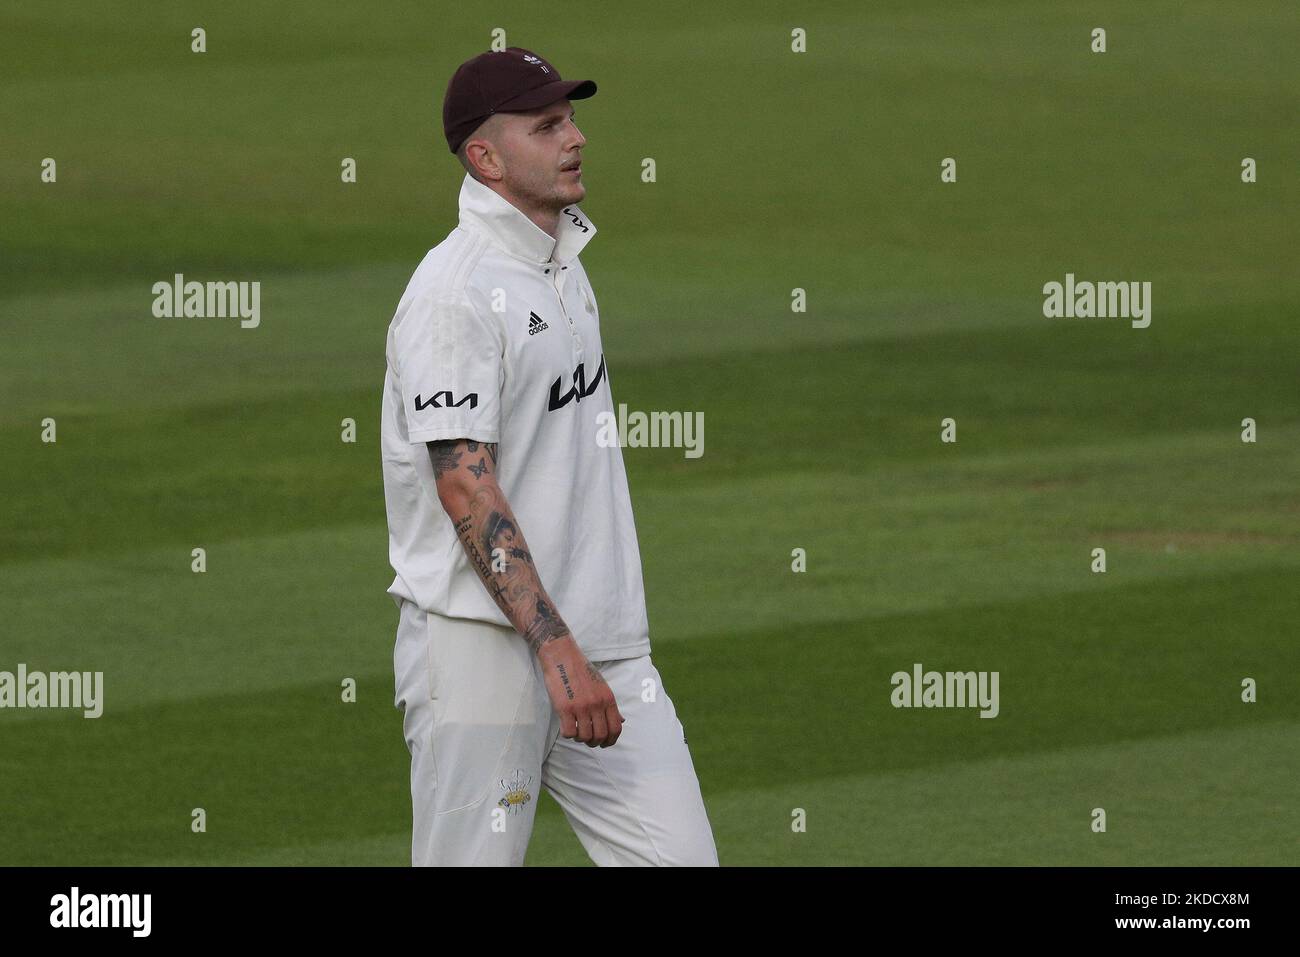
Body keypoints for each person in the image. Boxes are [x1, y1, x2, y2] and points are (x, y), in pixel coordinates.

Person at [380, 46, 719, 867]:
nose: (576, 138)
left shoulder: (560, 259)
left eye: (570, 118)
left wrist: (582, 643)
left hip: (602, 642)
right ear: (484, 156)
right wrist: (552, 645)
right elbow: (465, 481)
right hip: (485, 655)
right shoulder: (453, 294)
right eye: (547, 126)